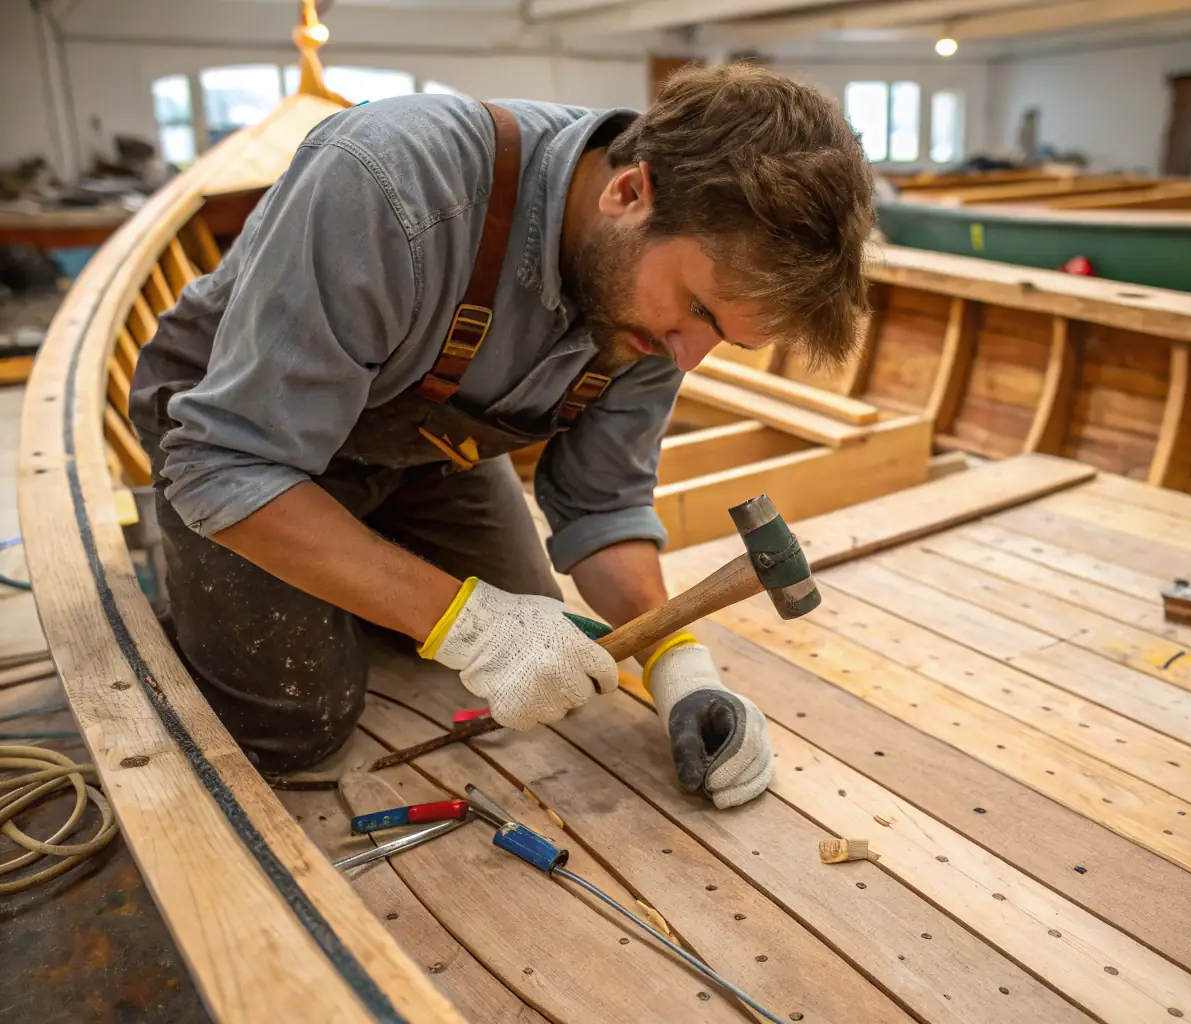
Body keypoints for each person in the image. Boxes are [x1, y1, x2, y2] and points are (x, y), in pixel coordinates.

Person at [128, 63, 876, 809]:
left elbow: (601, 505)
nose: (688, 357)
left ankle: (342, 563)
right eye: (698, 314)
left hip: (418, 449)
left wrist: (678, 667)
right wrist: (466, 622)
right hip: (238, 430)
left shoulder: (656, 305)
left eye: (722, 342)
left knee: (556, 654)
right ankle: (199, 554)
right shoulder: (392, 180)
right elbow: (228, 459)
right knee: (292, 727)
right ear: (629, 193)